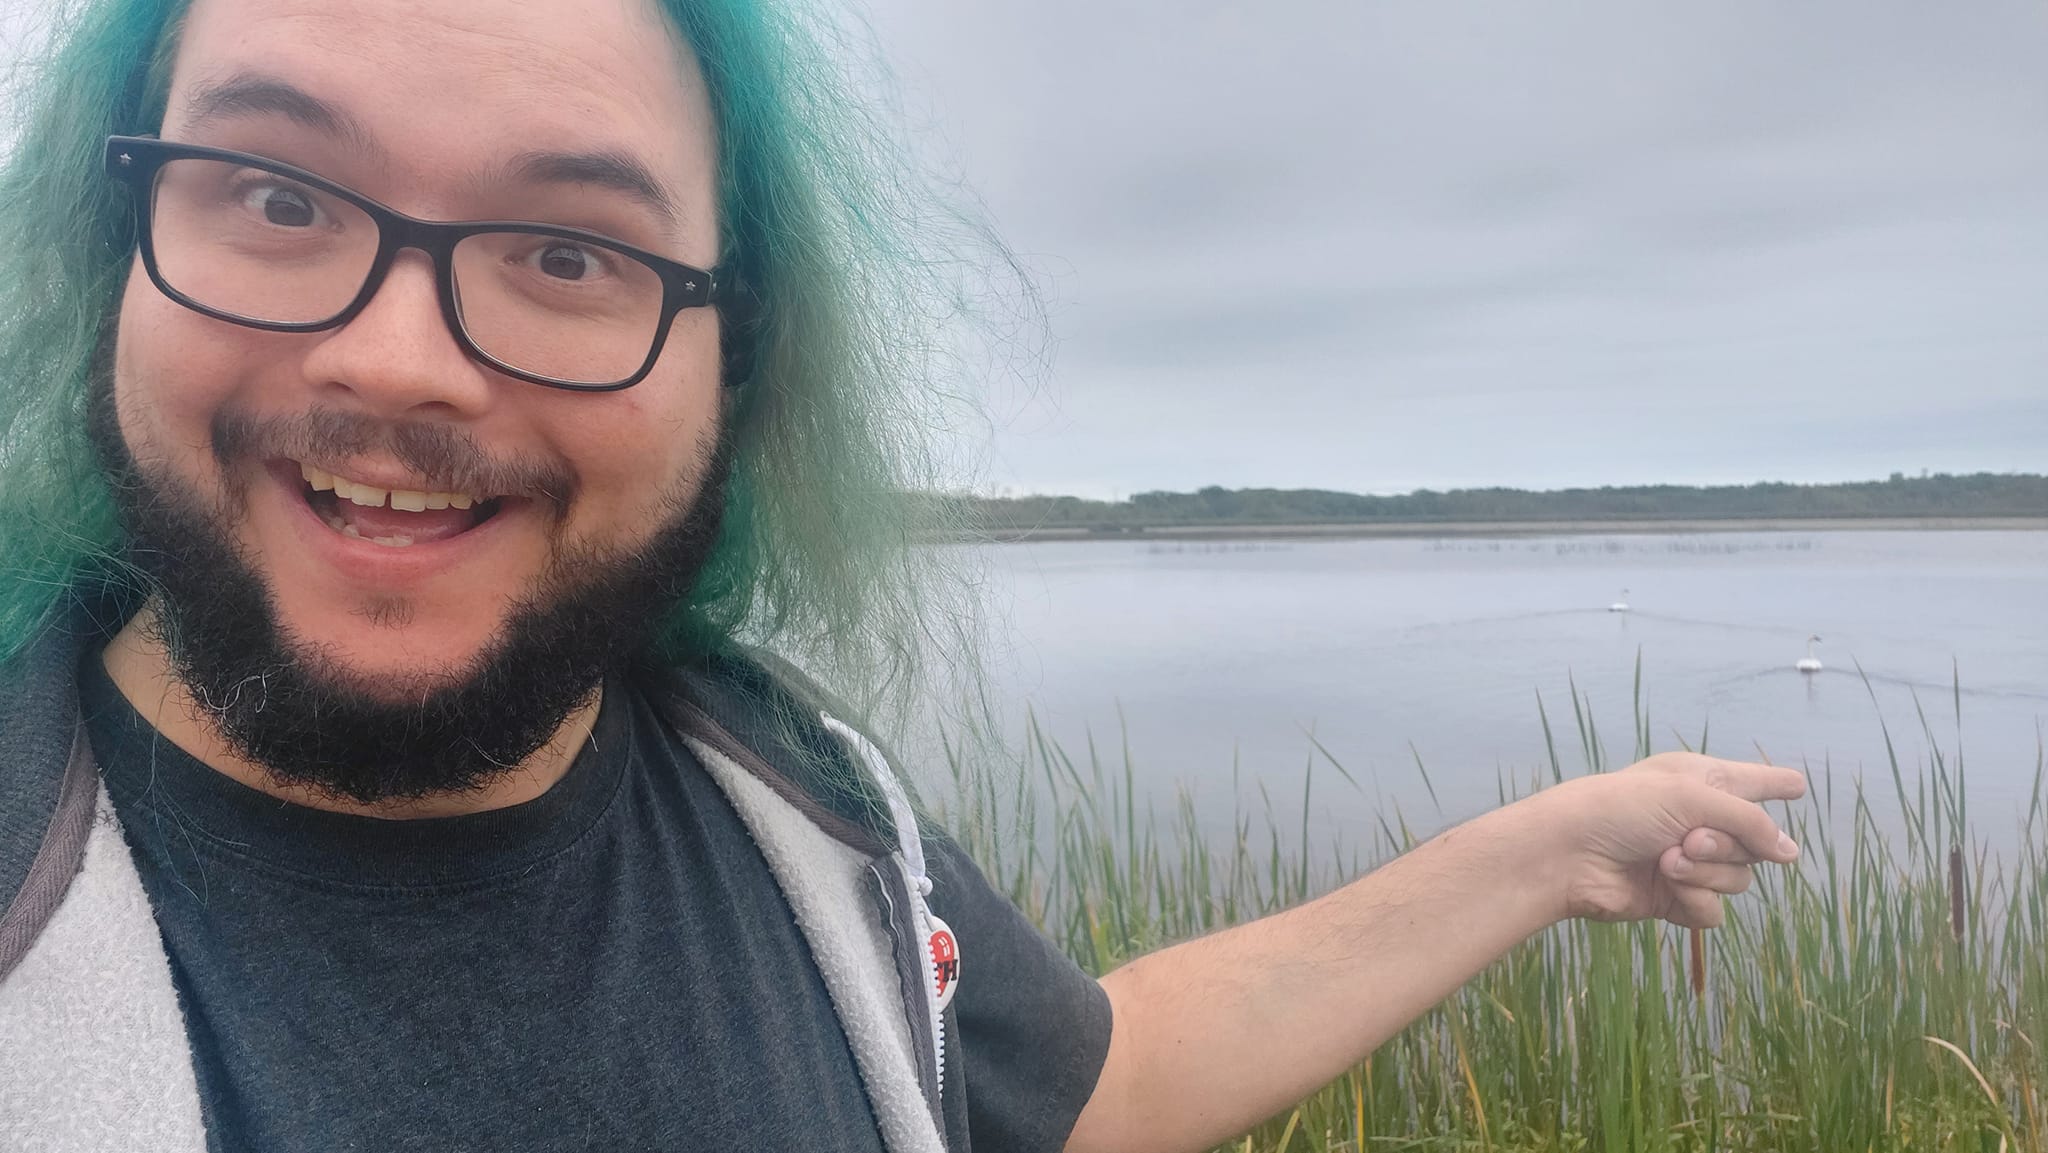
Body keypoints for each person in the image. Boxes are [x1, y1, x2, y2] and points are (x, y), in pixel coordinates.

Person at [0, 0, 1806, 1150]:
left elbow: (1087, 1085)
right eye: (276, 196)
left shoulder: (804, 816)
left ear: (743, 361)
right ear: (114, 243)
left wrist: (1560, 846)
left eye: (567, 251)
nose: (398, 364)